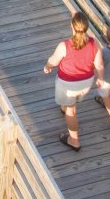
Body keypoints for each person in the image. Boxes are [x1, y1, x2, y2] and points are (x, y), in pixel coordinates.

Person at [43, 11, 102, 151]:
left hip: (68, 85)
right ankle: (65, 106)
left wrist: (47, 67)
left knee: (72, 111)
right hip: (86, 83)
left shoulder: (64, 46)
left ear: (72, 26)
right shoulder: (94, 43)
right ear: (87, 27)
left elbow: (53, 60)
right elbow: (99, 65)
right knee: (72, 101)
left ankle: (74, 140)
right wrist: (100, 79)